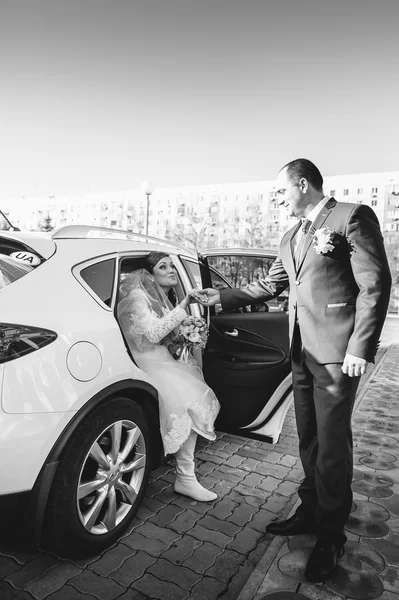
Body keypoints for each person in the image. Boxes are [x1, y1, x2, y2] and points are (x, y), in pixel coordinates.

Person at [198, 158, 391, 581]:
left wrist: (361, 346)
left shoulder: (350, 218)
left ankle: (331, 534)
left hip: (339, 353)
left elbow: (374, 285)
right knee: (308, 437)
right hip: (301, 355)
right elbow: (268, 286)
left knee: (333, 444)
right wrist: (220, 298)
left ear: (302, 185)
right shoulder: (289, 237)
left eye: (281, 190)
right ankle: (310, 509)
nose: (277, 198)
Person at [117, 251, 220, 502]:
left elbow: (164, 332)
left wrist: (184, 337)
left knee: (194, 399)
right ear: (149, 275)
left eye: (172, 266)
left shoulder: (160, 298)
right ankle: (185, 477)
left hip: (163, 359)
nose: (172, 270)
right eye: (164, 267)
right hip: (146, 363)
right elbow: (152, 335)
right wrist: (184, 306)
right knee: (190, 400)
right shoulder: (136, 298)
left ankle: (186, 476)